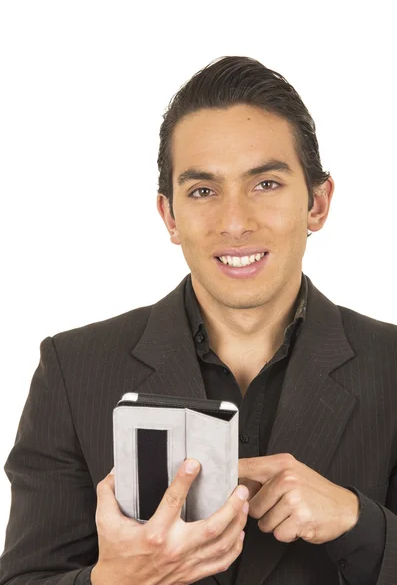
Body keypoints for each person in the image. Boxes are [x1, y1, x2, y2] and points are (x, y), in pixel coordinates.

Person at [0, 56, 396, 585]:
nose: (234, 222)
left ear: (318, 204)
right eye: (203, 191)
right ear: (170, 216)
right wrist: (119, 579)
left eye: (266, 184)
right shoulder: (72, 370)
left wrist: (360, 522)